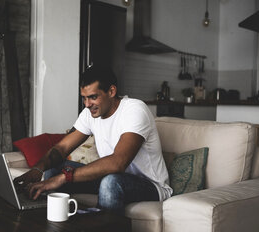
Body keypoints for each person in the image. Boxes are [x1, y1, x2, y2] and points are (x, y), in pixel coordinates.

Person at [14, 65, 172, 212]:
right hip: (110, 176)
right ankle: (56, 230)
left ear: (111, 91)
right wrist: (37, 168)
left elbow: (118, 162)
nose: (87, 104)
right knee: (53, 171)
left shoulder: (134, 110)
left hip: (150, 186)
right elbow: (61, 148)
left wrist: (64, 178)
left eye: (93, 97)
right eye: (84, 98)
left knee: (110, 183)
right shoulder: (90, 113)